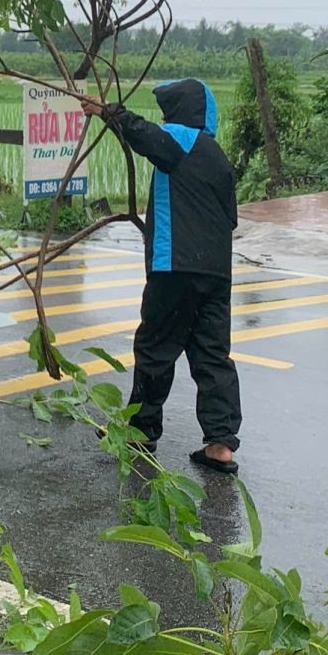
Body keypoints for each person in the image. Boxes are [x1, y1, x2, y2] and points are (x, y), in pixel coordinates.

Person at [82, 78, 241, 472]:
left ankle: (141, 429)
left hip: (175, 267)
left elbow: (143, 134)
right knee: (212, 355)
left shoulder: (179, 139)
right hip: (216, 272)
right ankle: (221, 444)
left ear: (177, 111)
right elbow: (231, 219)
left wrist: (107, 111)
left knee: (155, 348)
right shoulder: (217, 155)